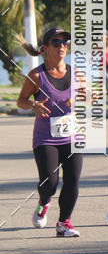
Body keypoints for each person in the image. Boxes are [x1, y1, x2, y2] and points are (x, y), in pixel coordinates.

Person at [16, 27, 82, 237]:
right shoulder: (37, 75)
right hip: (46, 139)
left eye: (65, 42)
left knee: (72, 181)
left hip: (72, 136)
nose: (62, 46)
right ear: (45, 48)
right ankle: (44, 201)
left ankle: (64, 223)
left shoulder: (76, 73)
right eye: (56, 42)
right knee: (50, 183)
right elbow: (21, 101)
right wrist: (33, 106)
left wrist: (88, 98)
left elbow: (89, 95)